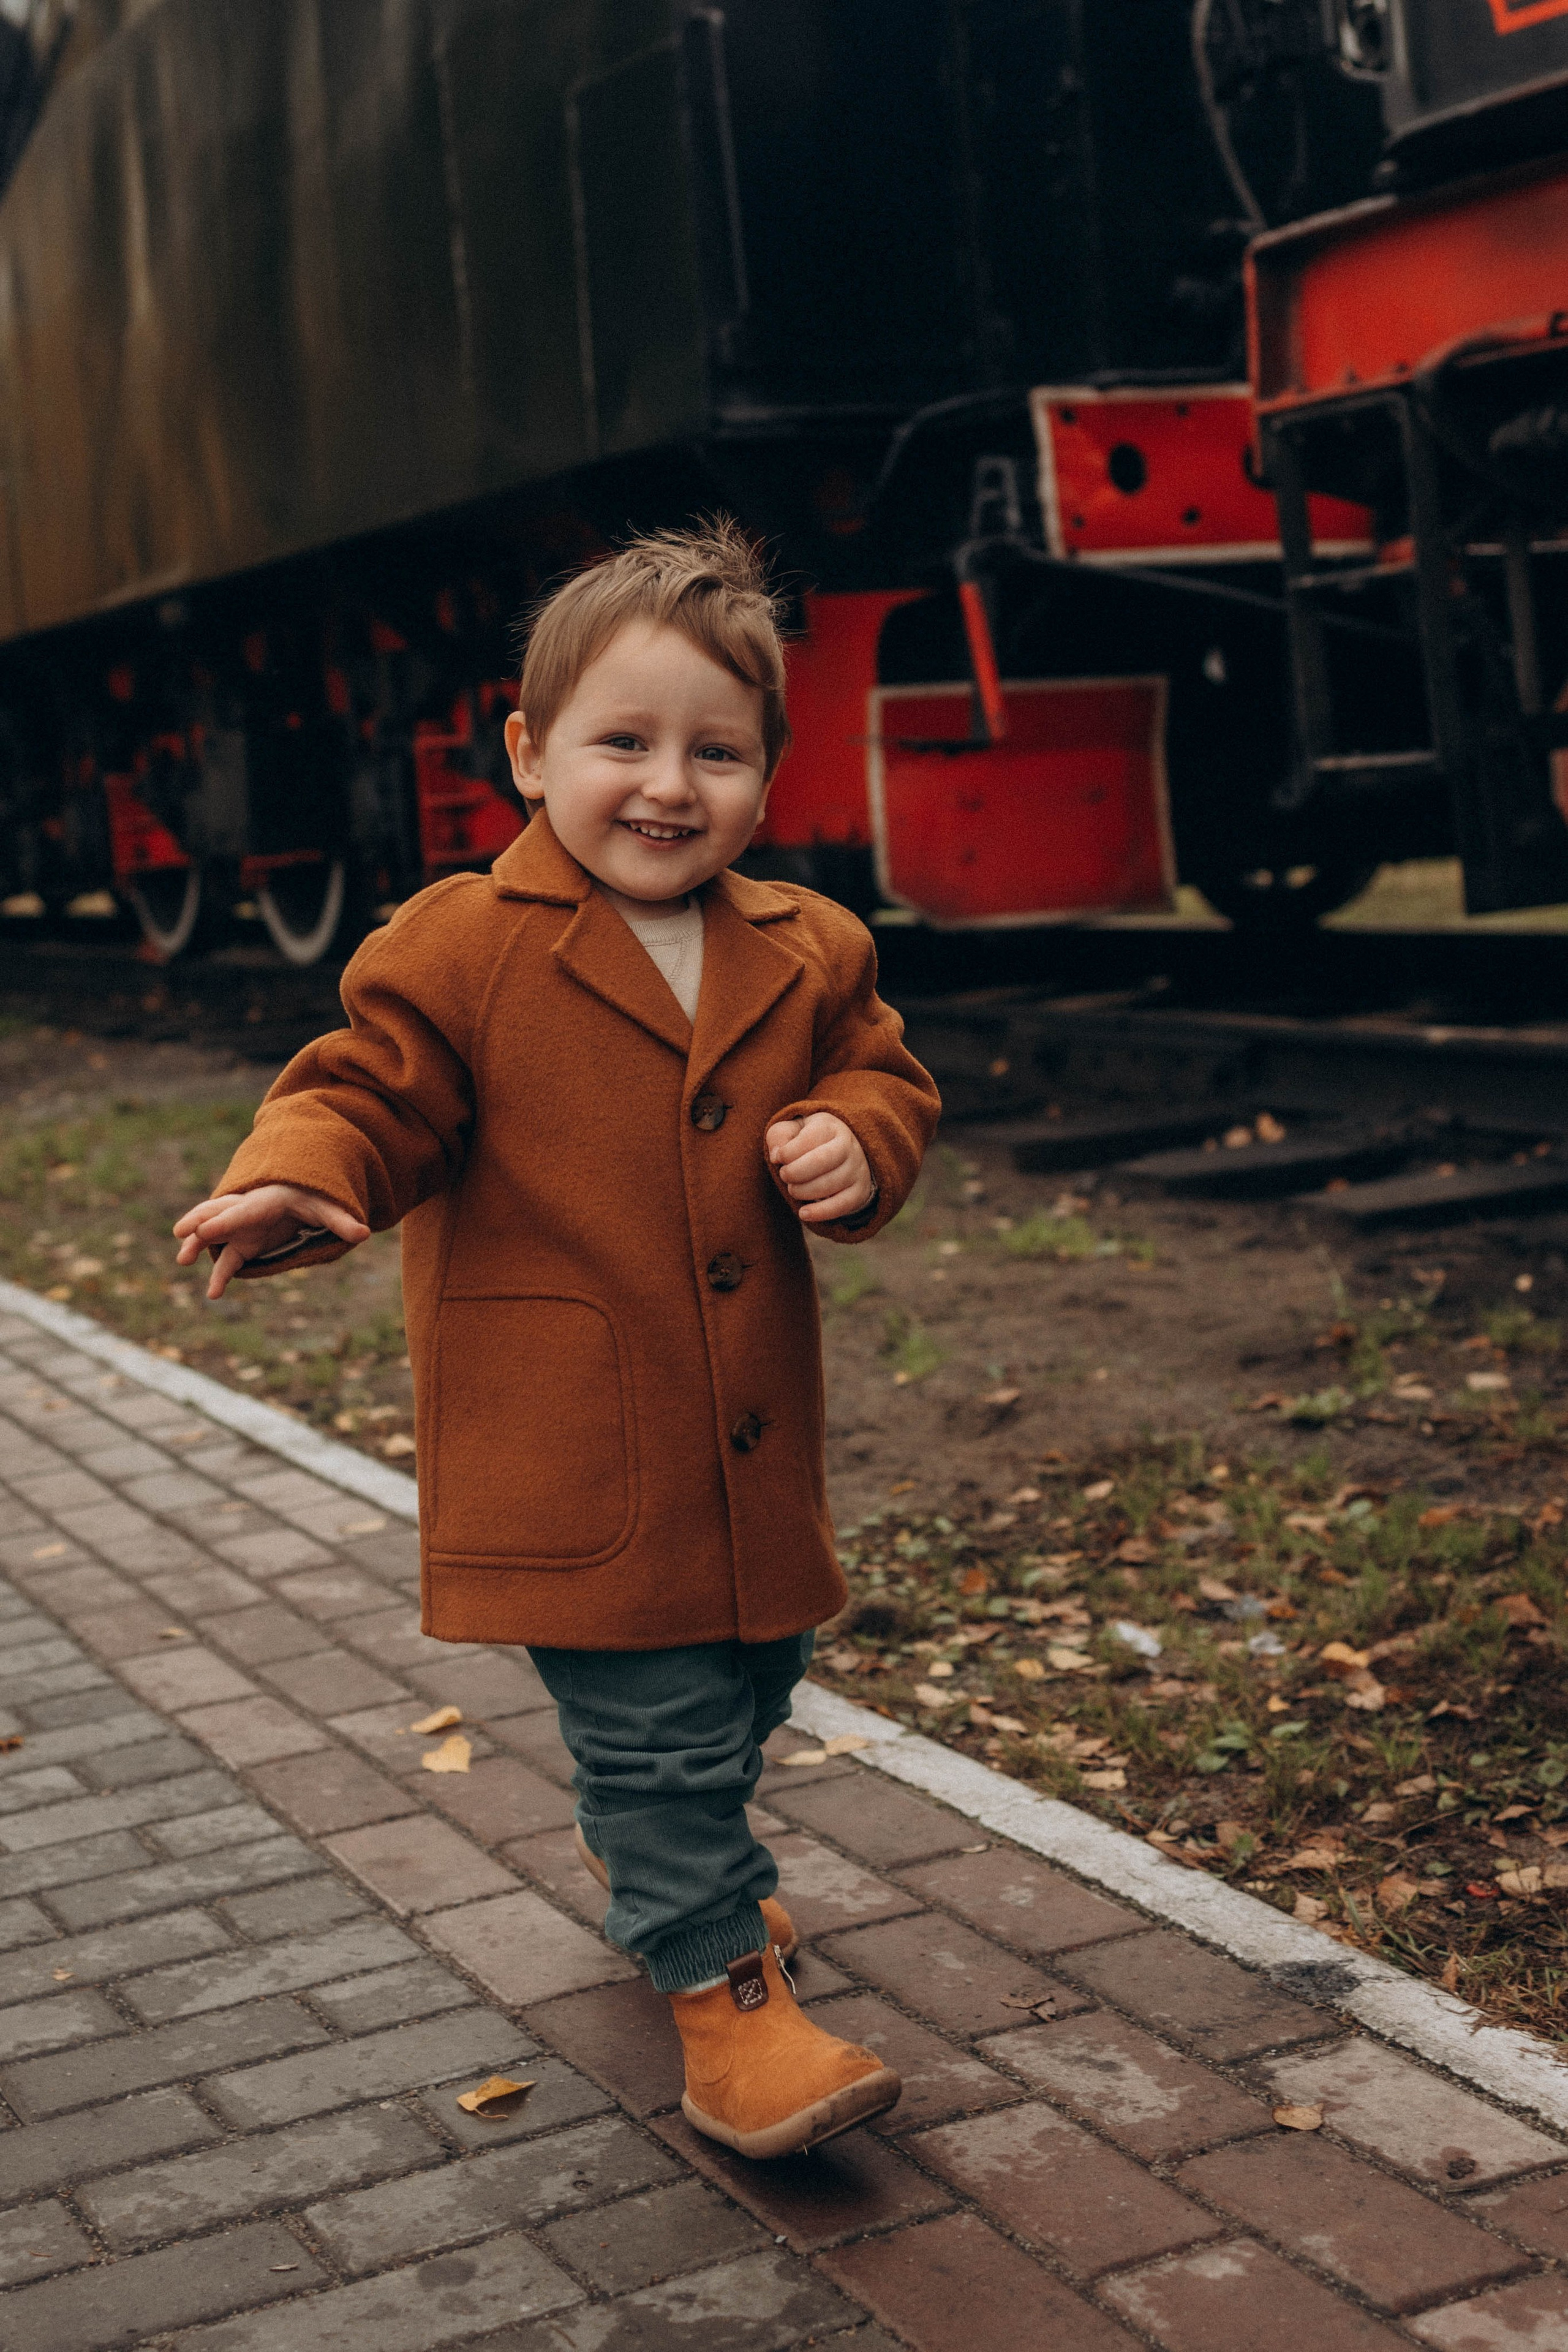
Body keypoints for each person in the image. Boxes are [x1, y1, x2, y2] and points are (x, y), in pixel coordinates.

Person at [173, 520, 940, 2160]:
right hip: (576, 1441)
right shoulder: (463, 943)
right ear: (528, 753)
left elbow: (886, 1072)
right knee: (659, 1729)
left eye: (715, 753)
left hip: (742, 1441)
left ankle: (678, 1871)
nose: (668, 786)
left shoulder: (809, 946)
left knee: (748, 1686)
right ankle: (721, 1994)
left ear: (766, 775)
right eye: (623, 743)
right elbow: (362, 1093)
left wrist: (861, 1140)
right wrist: (301, 1183)